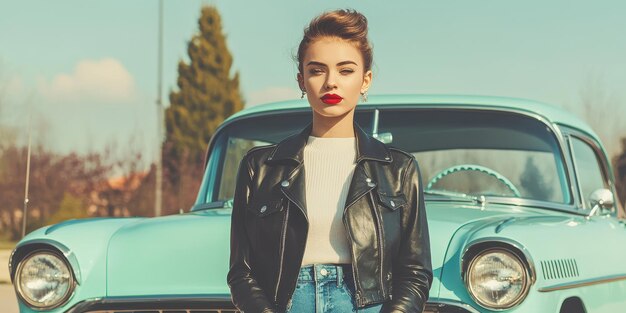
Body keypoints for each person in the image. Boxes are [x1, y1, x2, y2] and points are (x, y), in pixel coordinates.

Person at [227, 9, 432, 313]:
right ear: (301, 80)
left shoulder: (398, 169)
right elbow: (241, 271)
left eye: (346, 70)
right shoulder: (261, 167)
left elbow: (415, 271)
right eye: (317, 70)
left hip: (369, 305)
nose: (330, 83)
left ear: (366, 80)